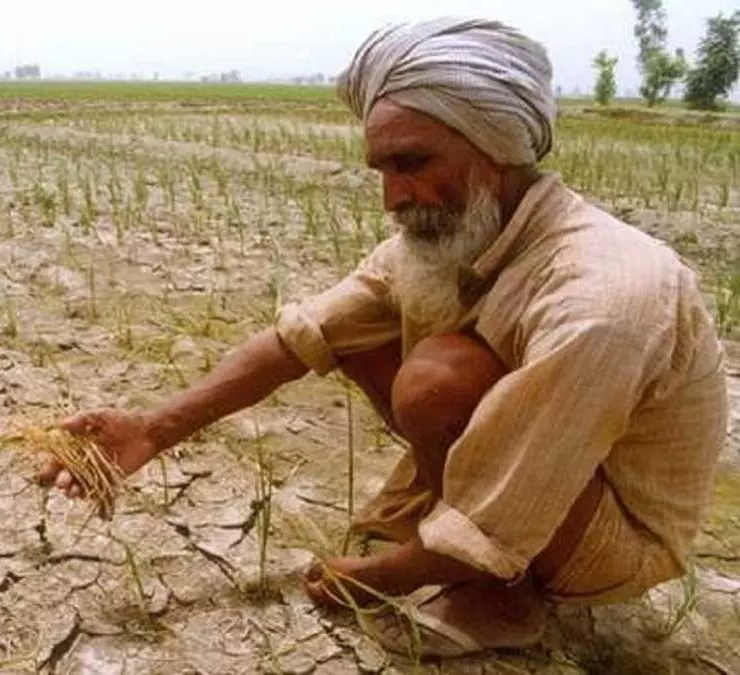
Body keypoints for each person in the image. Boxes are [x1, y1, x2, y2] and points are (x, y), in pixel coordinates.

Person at [36, 16, 730, 659]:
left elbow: (531, 474)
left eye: (414, 163)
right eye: (385, 170)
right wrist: (152, 429)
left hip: (611, 538)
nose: (393, 197)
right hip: (543, 477)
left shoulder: (602, 294)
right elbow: (299, 338)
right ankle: (451, 534)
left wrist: (380, 575)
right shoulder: (452, 237)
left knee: (438, 380)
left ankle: (503, 592)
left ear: (497, 147)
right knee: (359, 335)